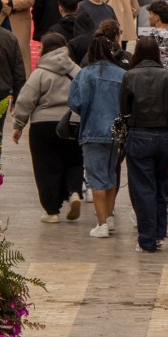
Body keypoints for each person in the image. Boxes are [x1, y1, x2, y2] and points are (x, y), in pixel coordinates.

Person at [119, 36, 168, 253]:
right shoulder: (167, 75)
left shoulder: (130, 76)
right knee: (159, 184)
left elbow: (123, 110)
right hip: (164, 136)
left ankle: (147, 239)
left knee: (142, 188)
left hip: (139, 135)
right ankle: (158, 232)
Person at [11, 32, 83, 223]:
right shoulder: (77, 70)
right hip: (73, 122)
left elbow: (26, 100)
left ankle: (52, 211)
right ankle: (74, 191)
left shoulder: (40, 73)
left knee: (46, 167)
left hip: (43, 126)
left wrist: (18, 125)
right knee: (74, 161)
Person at [68, 34, 127, 237]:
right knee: (111, 175)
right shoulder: (121, 74)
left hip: (92, 131)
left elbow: (74, 102)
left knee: (95, 178)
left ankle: (101, 224)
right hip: (117, 132)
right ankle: (109, 217)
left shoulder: (84, 74)